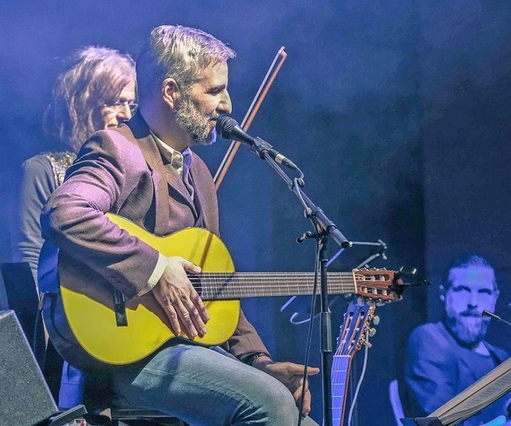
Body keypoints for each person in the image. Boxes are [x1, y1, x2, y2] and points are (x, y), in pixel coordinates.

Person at [40, 25, 320, 425]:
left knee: (297, 416)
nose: (227, 104)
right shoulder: (117, 148)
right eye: (214, 90)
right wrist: (155, 269)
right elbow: (66, 211)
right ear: (171, 91)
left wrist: (257, 360)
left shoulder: (198, 172)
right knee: (270, 405)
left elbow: (215, 284)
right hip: (124, 355)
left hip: (183, 345)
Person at [10, 46, 136, 408]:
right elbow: (30, 258)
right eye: (114, 102)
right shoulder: (42, 169)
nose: (126, 115)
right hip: (69, 330)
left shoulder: (135, 170)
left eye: (131, 104)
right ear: (80, 101)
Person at [403, 254, 511, 425]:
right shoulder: (429, 338)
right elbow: (440, 420)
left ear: (494, 299)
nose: (473, 302)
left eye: (483, 292)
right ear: (444, 294)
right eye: (462, 290)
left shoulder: (502, 358)